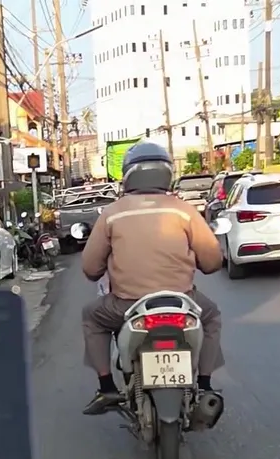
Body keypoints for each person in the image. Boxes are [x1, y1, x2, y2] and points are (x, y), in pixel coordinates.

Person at [79, 141, 225, 423]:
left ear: (128, 174)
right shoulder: (184, 211)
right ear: (167, 172)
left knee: (91, 316)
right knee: (212, 317)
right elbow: (212, 263)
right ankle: (205, 386)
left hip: (126, 306)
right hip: (183, 302)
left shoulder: (112, 213)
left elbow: (90, 269)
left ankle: (106, 387)